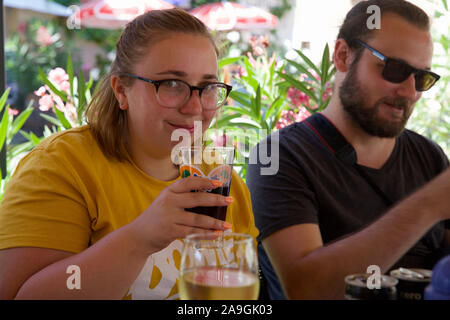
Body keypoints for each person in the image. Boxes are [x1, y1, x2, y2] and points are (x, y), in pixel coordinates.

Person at [0, 8, 258, 300]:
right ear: (122, 90)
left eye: (208, 87)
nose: (195, 107)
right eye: (172, 84)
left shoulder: (220, 179)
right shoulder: (62, 167)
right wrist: (140, 238)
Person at [246, 0, 450, 300]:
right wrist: (426, 206)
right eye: (393, 69)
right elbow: (304, 289)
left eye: (422, 78)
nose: (410, 92)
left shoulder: (429, 158)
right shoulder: (279, 157)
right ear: (342, 56)